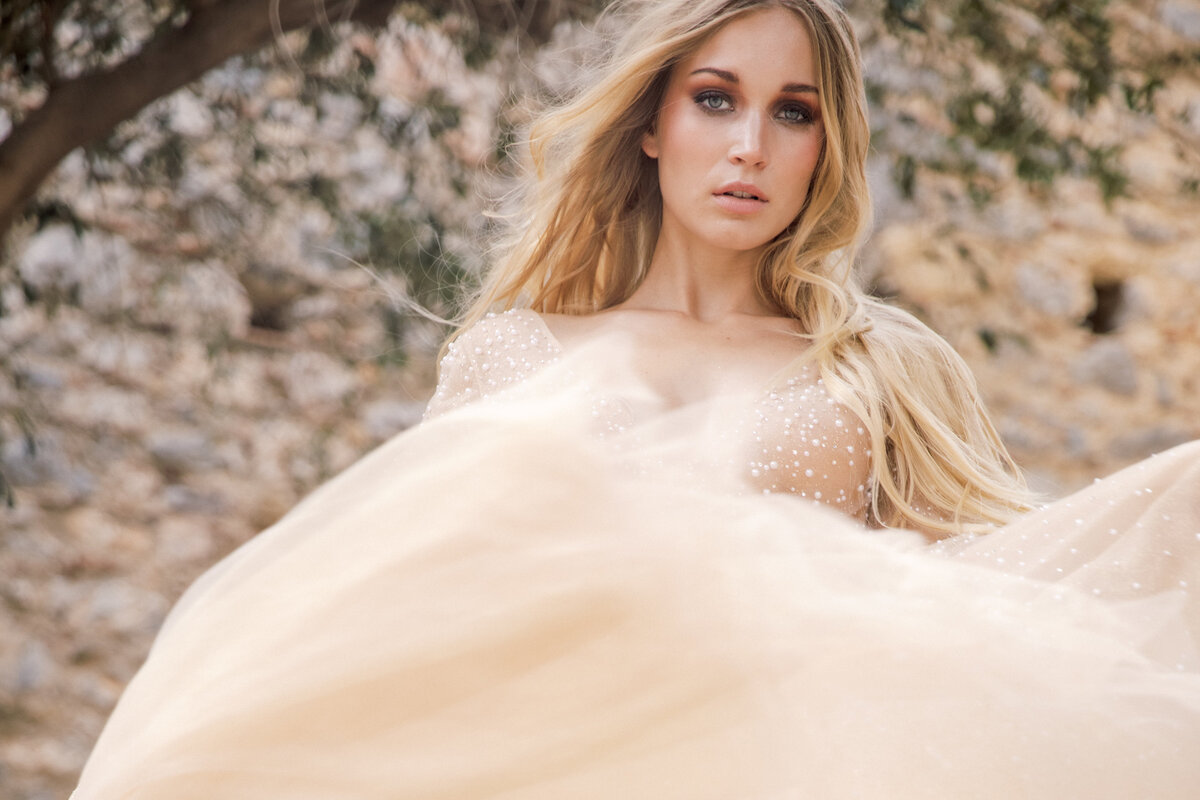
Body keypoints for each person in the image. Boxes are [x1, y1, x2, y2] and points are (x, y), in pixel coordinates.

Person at [72, 1, 1200, 798]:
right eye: (717, 99)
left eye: (794, 112)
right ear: (652, 123)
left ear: (827, 147)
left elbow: (982, 598)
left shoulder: (882, 363)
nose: (751, 144)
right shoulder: (513, 353)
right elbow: (424, 606)